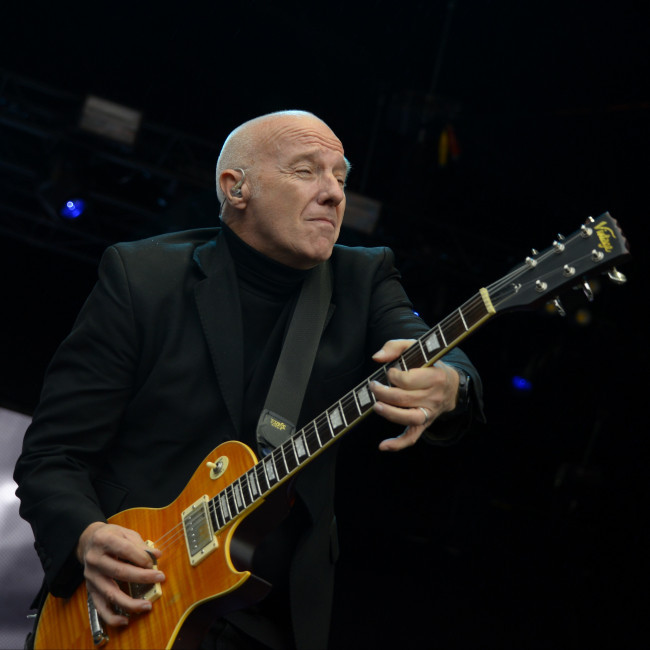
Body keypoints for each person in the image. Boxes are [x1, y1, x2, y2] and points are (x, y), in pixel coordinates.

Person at [14, 110, 484, 650]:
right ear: (235, 187)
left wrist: (451, 384)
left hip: (269, 622)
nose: (334, 193)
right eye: (307, 171)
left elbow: (433, 349)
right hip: (124, 608)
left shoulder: (364, 278)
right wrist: (86, 537)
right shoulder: (142, 277)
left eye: (341, 177)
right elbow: (53, 456)